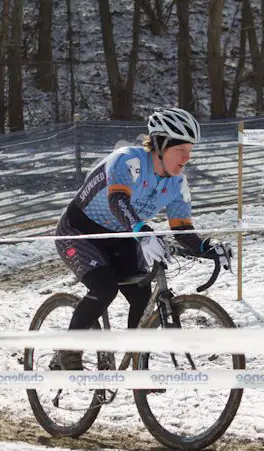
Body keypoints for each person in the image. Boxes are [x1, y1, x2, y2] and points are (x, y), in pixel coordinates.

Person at [53, 107, 233, 370]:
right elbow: (118, 200)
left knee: (141, 297)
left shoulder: (177, 183)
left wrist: (207, 247)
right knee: (104, 288)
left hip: (122, 235)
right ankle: (68, 350)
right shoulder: (128, 161)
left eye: (190, 149)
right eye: (180, 149)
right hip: (80, 232)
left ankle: (138, 368)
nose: (187, 157)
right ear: (160, 145)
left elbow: (182, 228)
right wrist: (142, 231)